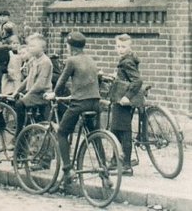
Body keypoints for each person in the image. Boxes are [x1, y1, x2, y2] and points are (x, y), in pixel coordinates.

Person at [50, 32, 102, 185]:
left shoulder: (72, 60)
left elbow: (62, 80)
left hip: (79, 104)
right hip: (95, 103)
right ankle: (105, 174)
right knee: (95, 137)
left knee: (62, 132)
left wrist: (54, 93)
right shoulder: (91, 60)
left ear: (70, 46)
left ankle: (67, 170)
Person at [110, 34, 145, 176]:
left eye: (123, 47)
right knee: (115, 129)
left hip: (123, 100)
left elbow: (137, 81)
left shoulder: (127, 62)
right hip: (121, 98)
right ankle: (115, 160)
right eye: (118, 46)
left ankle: (126, 165)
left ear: (129, 47)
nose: (120, 49)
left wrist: (127, 97)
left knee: (123, 131)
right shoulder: (126, 59)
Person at [11, 35, 53, 139]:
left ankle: (19, 134)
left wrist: (27, 95)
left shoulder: (45, 61)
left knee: (20, 104)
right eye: (29, 46)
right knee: (27, 115)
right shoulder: (34, 60)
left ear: (42, 48)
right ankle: (25, 137)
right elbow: (28, 78)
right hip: (33, 94)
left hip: (41, 95)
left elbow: (40, 84)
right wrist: (17, 90)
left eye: (33, 46)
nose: (30, 48)